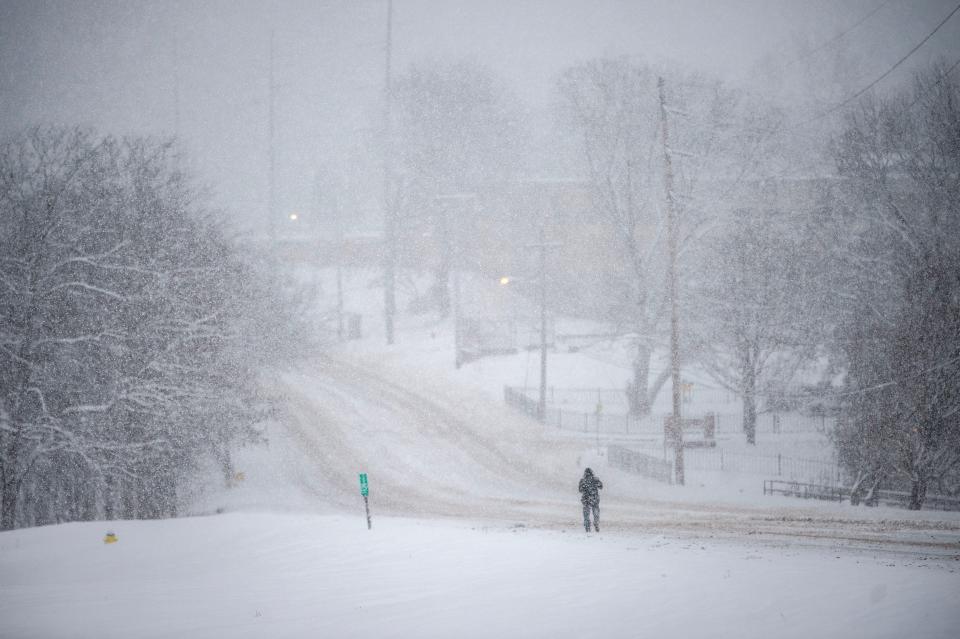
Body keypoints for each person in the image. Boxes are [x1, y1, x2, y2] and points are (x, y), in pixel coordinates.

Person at [578, 468, 603, 532]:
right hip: (594, 499)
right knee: (596, 512)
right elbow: (601, 486)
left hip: (586, 500)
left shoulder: (583, 480)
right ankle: (596, 523)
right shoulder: (595, 479)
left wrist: (585, 487)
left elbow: (580, 490)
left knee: (586, 514)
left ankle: (587, 526)